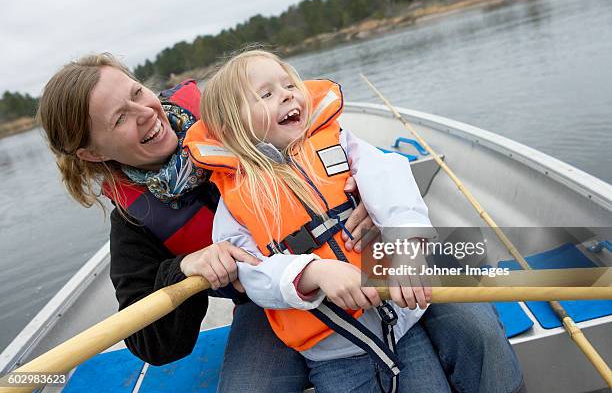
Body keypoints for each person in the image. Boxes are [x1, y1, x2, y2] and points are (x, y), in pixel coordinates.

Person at [183, 49, 524, 392]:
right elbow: (250, 271)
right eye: (266, 94)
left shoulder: (341, 142)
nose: (286, 94)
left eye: (289, 84)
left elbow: (389, 179)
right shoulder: (234, 198)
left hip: (403, 324)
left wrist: (408, 242)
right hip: (337, 353)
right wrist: (313, 272)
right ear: (232, 127)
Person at [36, 52, 376, 392]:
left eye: (137, 93)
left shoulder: (237, 116)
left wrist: (367, 188)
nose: (145, 113)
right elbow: (150, 344)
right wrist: (184, 268)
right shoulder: (133, 224)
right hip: (269, 301)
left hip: (361, 241)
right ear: (93, 154)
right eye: (120, 118)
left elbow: (339, 144)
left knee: (427, 284)